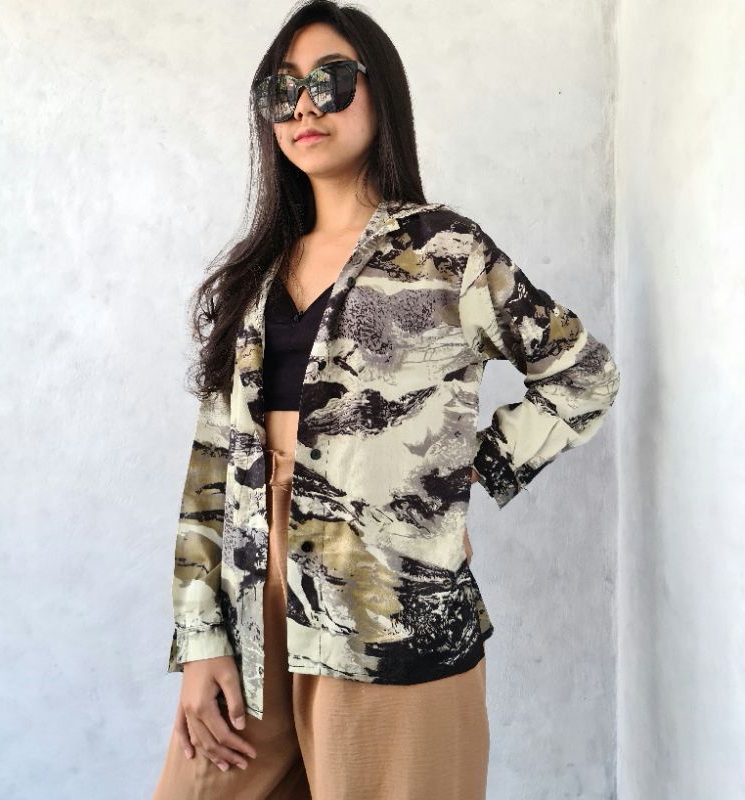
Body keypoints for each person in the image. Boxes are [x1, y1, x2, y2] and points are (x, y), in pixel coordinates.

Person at [152, 1, 621, 798]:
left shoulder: (446, 252)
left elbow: (582, 375)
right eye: (282, 90)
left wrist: (467, 475)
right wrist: (201, 639)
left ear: (381, 92)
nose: (304, 107)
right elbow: (209, 468)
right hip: (251, 620)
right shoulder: (256, 273)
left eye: (330, 81)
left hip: (392, 620)